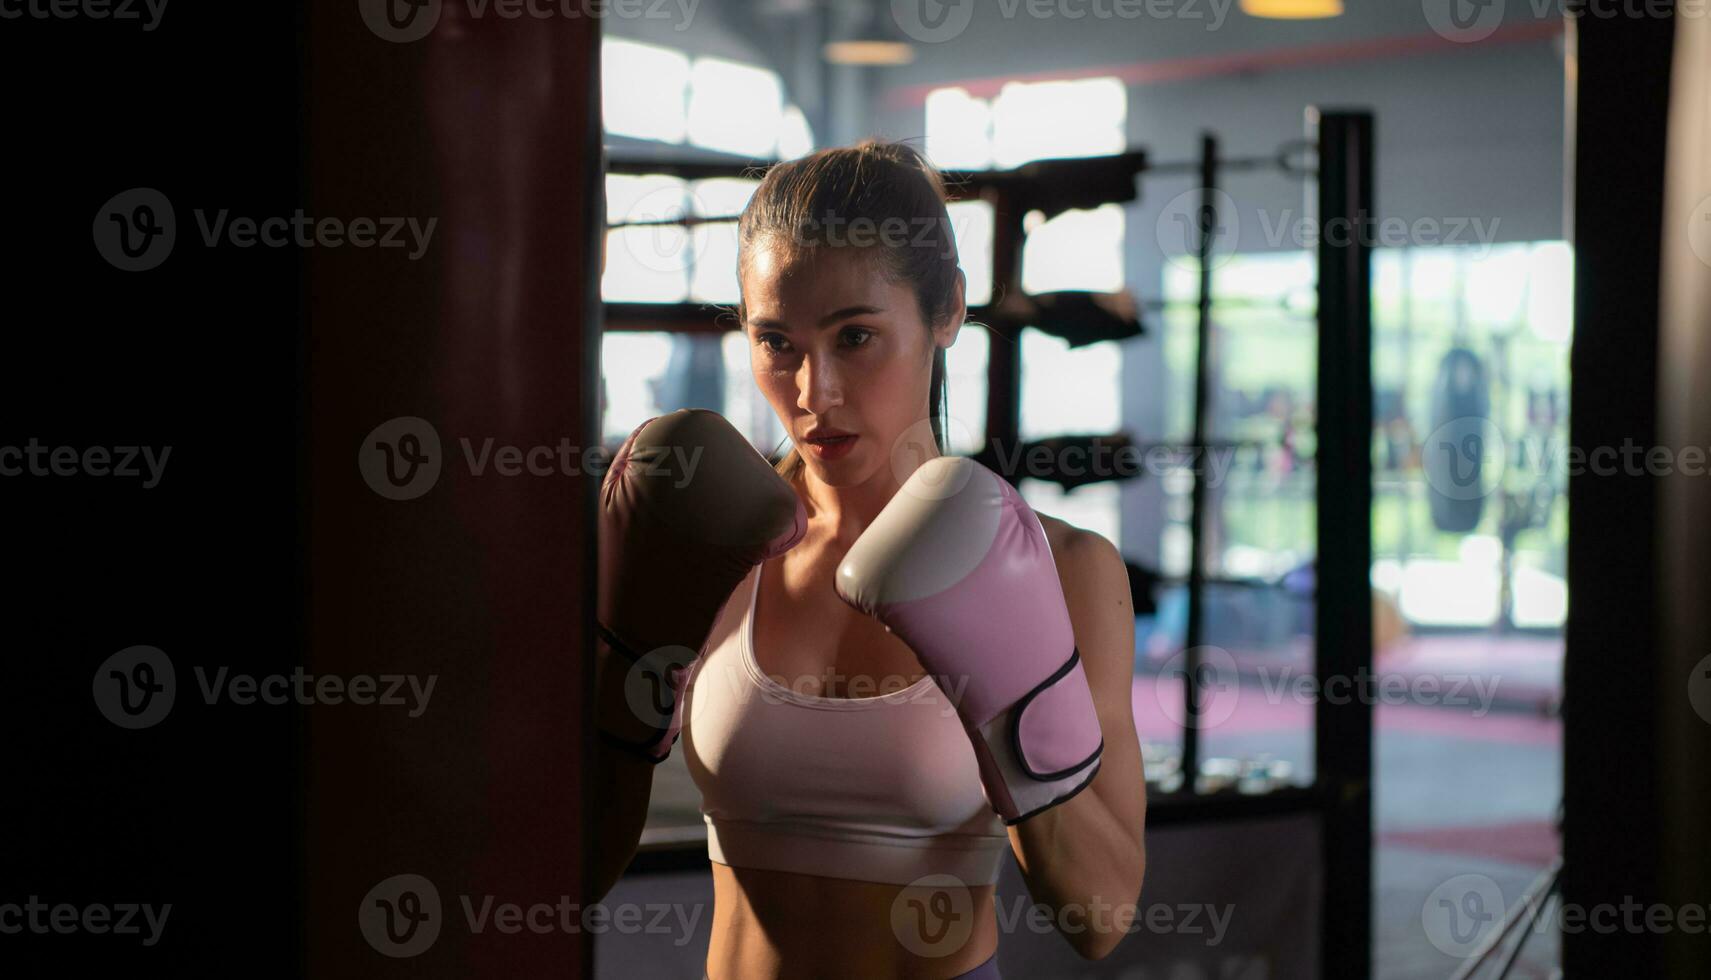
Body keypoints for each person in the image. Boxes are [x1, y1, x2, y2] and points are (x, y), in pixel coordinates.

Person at [594, 139, 1147, 979]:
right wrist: (622, 672)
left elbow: (1101, 916)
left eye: (855, 336)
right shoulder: (705, 541)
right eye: (776, 341)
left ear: (947, 311)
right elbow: (571, 870)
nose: (814, 393)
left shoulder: (1067, 568)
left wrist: (1015, 717)